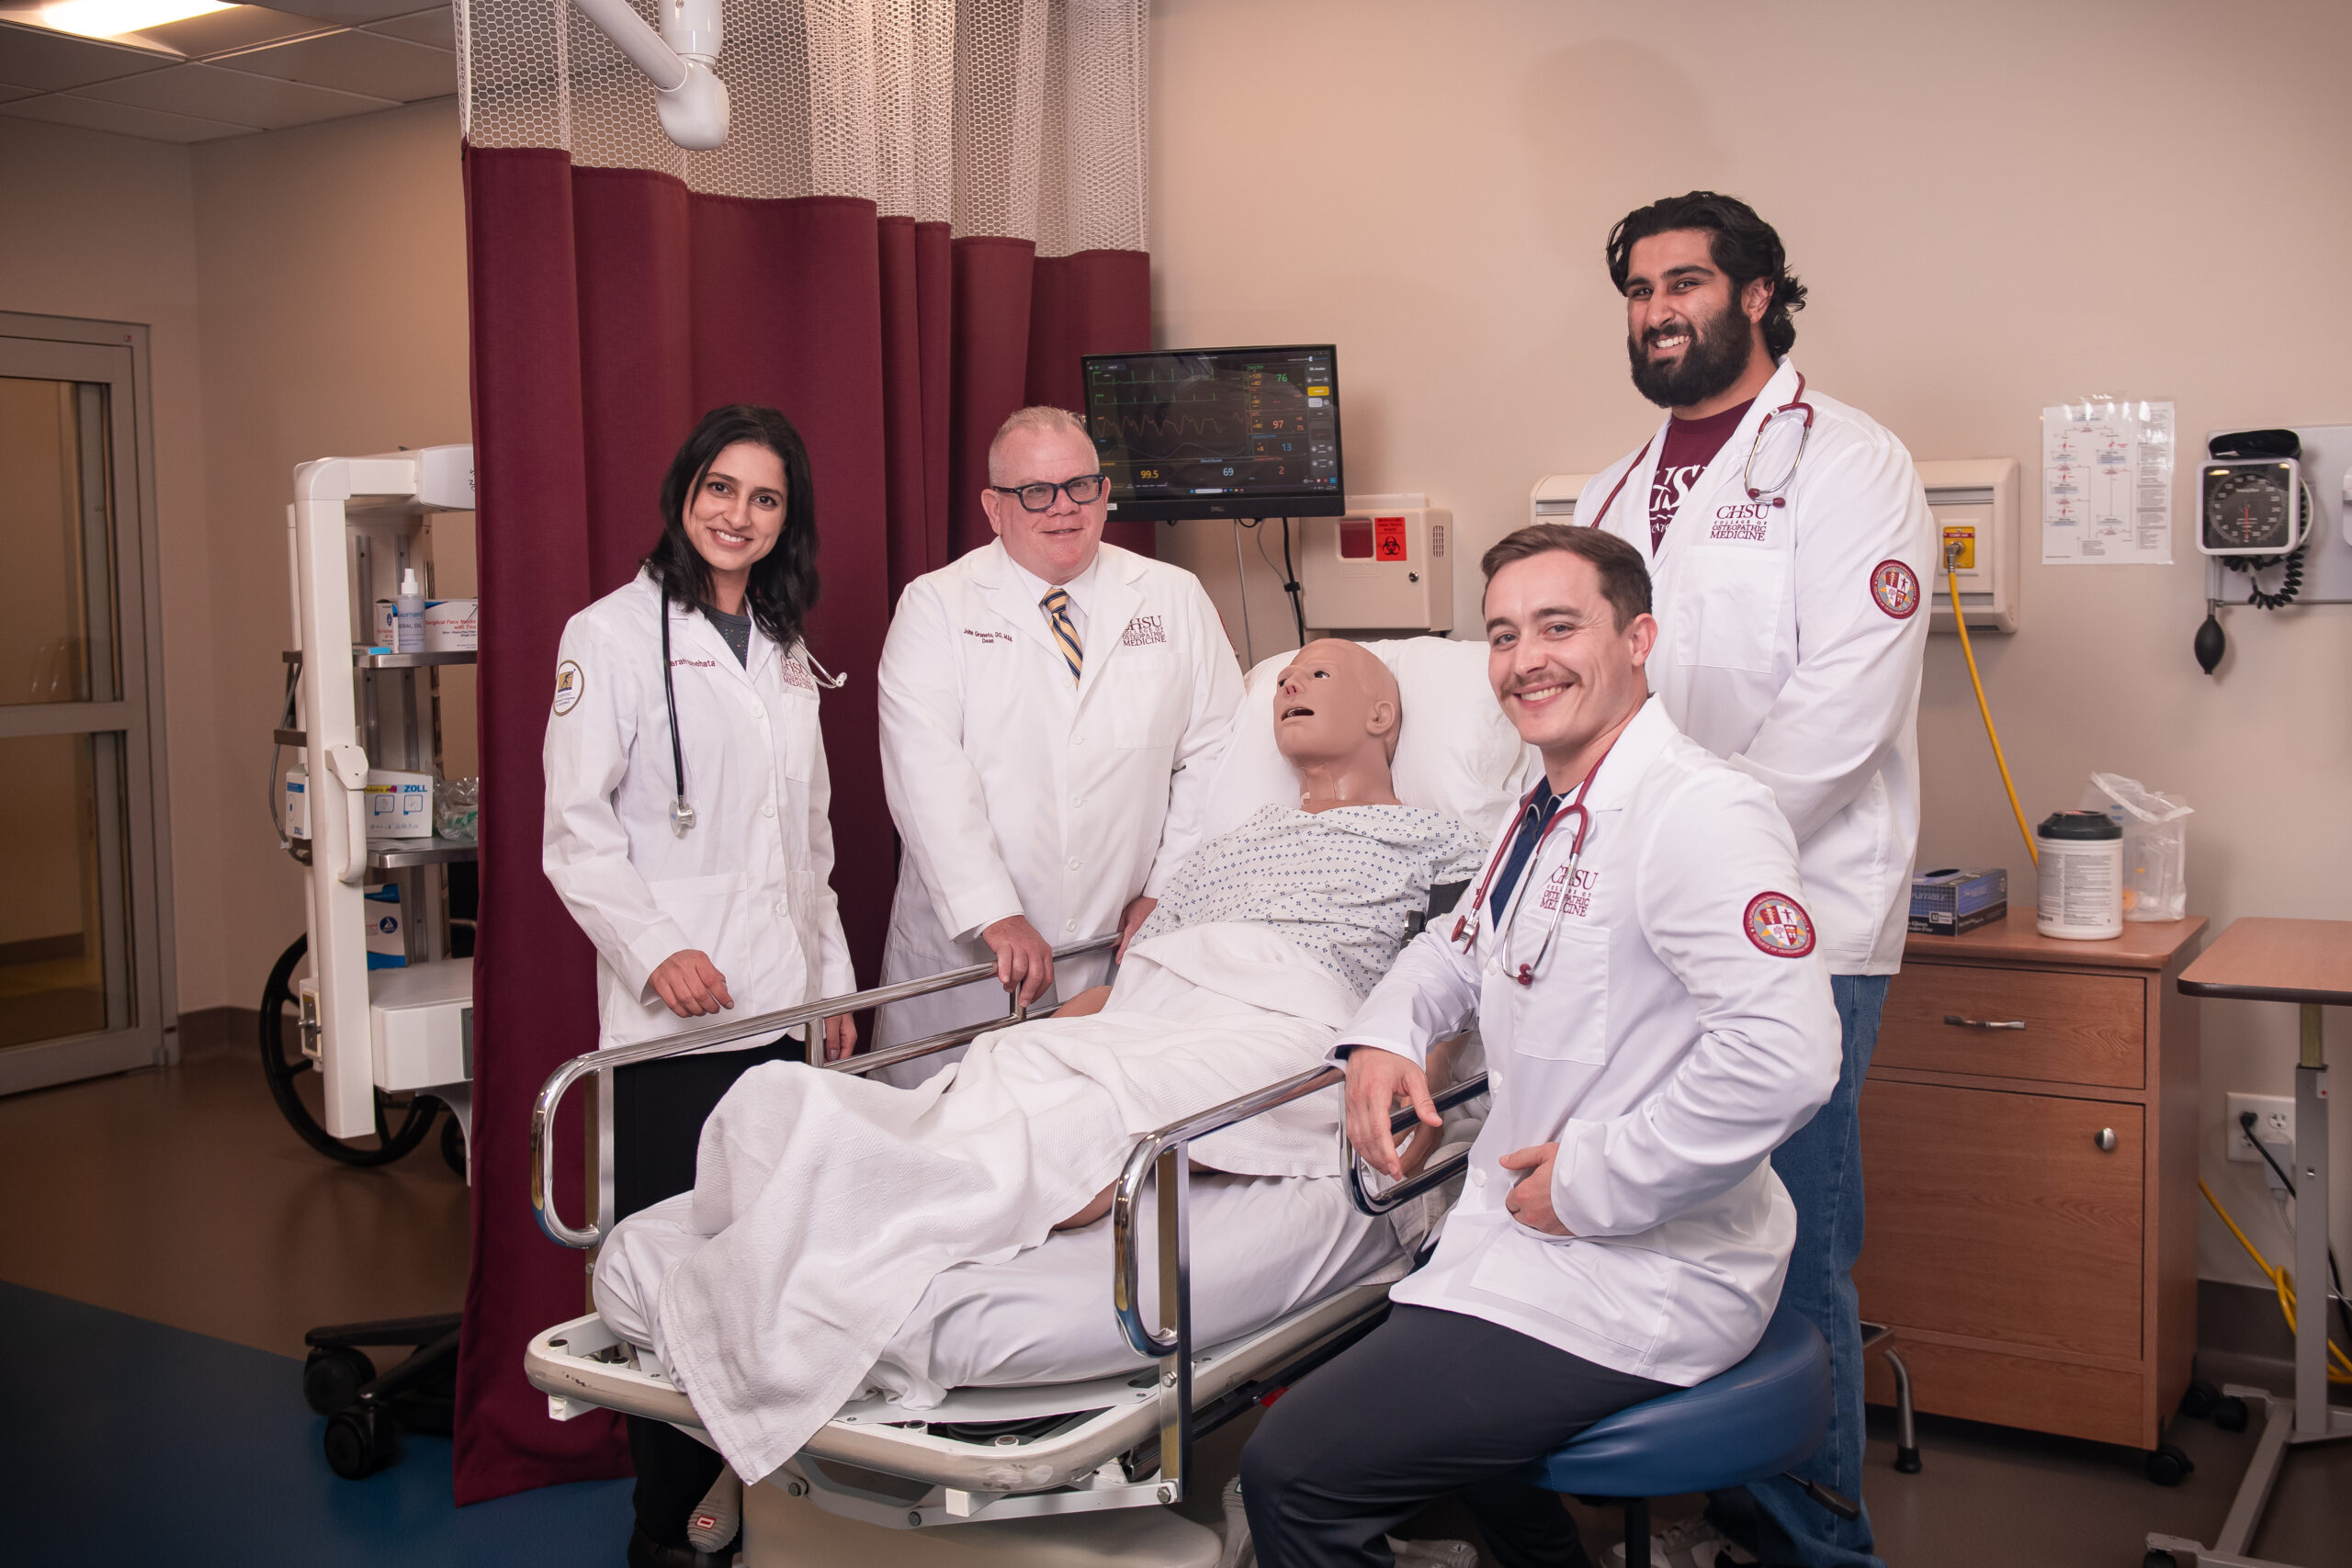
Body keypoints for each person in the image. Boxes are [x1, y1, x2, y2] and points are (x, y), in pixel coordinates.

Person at [605, 641, 1486, 1486]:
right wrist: (1045, 1035)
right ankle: (836, 1153)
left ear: (1380, 710)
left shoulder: (1441, 842)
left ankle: (834, 1182)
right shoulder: (1225, 846)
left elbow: (1445, 978)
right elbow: (1137, 976)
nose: (1289, 684)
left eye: (1318, 672)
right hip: (1153, 1009)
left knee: (1102, 1117)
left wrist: (1416, 1109)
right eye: (1284, 675)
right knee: (1012, 1070)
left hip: (1285, 1018)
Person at [1238, 525, 1840, 1568]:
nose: (1527, 660)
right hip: (1530, 1245)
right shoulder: (1546, 810)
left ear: (1638, 637)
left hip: (1642, 1263)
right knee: (1446, 1458)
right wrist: (1385, 1030)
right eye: (1504, 635)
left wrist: (1597, 1181)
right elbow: (1455, 946)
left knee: (1290, 1474)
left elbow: (1783, 1058)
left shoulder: (1697, 813)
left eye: (1559, 626)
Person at [1575, 193, 1932, 1568]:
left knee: (1794, 1237)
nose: (1659, 310)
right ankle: (1721, 1503)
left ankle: (1811, 1540)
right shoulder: (1613, 488)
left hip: (1803, 915)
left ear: (1764, 294)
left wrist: (1699, 851)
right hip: (1645, 921)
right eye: (1638, 291)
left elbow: (1846, 698)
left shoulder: (1851, 464)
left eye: (1686, 283)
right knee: (1695, 1227)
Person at [541, 403, 856, 1568]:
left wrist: (833, 993)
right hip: (677, 1019)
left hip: (784, 1008)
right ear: (684, 495)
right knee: (674, 1279)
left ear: (787, 521)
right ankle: (665, 1530)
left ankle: (746, 1502)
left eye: (765, 498)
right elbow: (574, 837)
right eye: (720, 489)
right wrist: (650, 948)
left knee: (767, 1268)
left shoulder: (783, 644)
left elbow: (809, 844)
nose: (738, 514)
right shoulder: (609, 635)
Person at [873, 404, 1244, 1082]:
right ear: (993, 506)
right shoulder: (936, 607)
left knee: (1085, 1152)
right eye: (1035, 492)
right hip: (969, 967)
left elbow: (1214, 753)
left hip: (1115, 952)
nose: (1062, 509)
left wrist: (1165, 890)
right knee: (943, 1151)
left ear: (1104, 493)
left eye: (1081, 487)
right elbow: (926, 775)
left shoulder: (1174, 597)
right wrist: (995, 913)